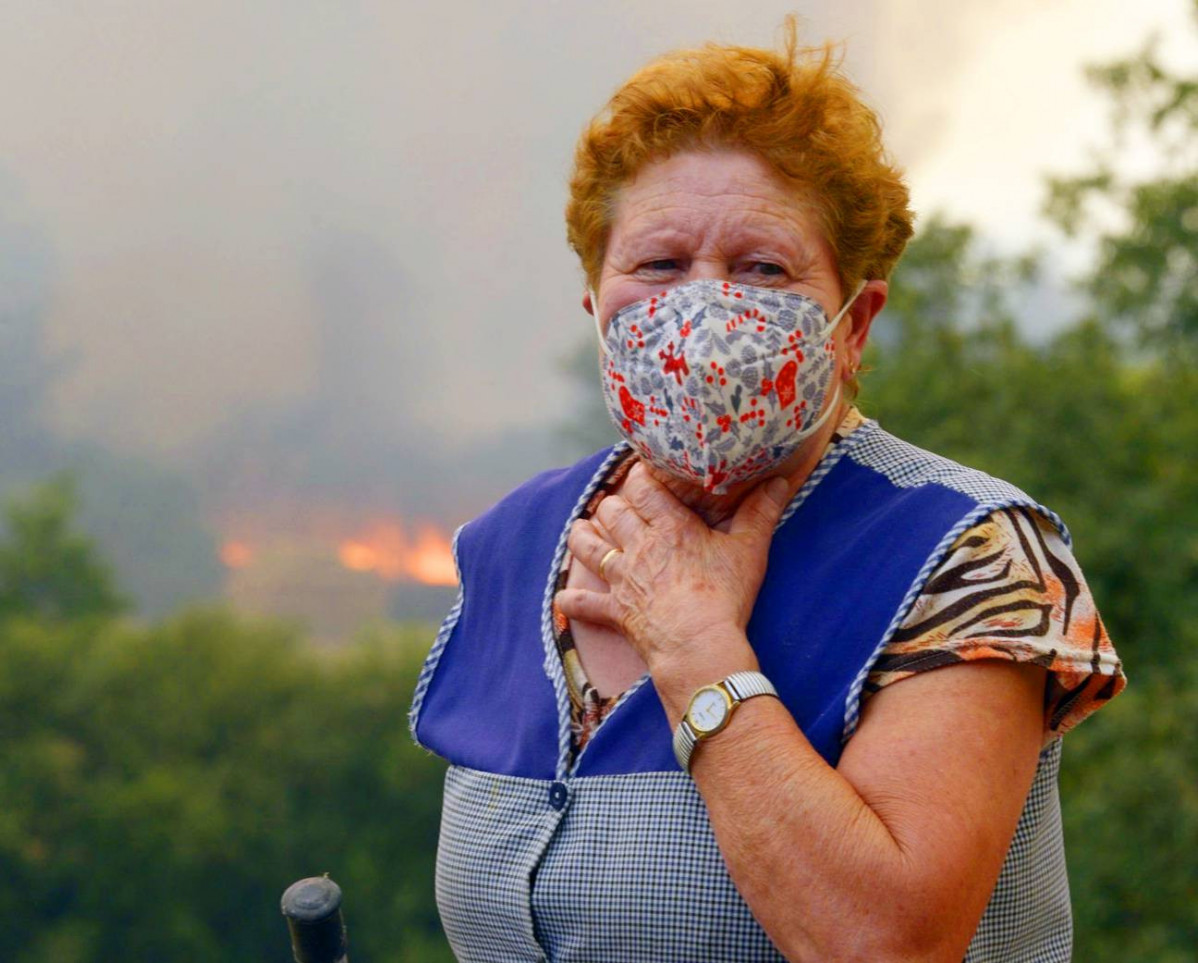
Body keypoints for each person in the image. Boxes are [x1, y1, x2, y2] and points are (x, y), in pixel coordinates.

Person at [409, 26, 1126, 963]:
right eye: (658, 266)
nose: (702, 308)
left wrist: (696, 652)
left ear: (853, 322)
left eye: (761, 268)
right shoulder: (511, 545)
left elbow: (885, 943)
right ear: (597, 304)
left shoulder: (970, 553)